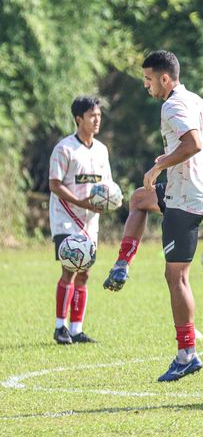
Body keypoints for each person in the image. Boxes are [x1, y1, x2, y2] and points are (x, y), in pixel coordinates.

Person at [103, 50, 203, 382]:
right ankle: (122, 263)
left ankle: (186, 354)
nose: (146, 86)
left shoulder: (173, 104)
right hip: (198, 192)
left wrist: (162, 163)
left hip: (186, 198)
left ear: (164, 78)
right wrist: (184, 164)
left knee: (177, 278)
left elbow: (194, 144)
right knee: (139, 199)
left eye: (148, 79)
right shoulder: (199, 102)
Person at [49, 96, 112, 345]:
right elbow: (54, 184)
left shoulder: (101, 150)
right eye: (91, 116)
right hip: (65, 219)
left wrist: (108, 202)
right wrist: (82, 203)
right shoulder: (64, 149)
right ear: (79, 119)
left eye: (99, 115)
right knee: (69, 269)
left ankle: (76, 329)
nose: (97, 120)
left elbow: (106, 185)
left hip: (89, 222)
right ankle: (59, 327)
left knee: (85, 274)